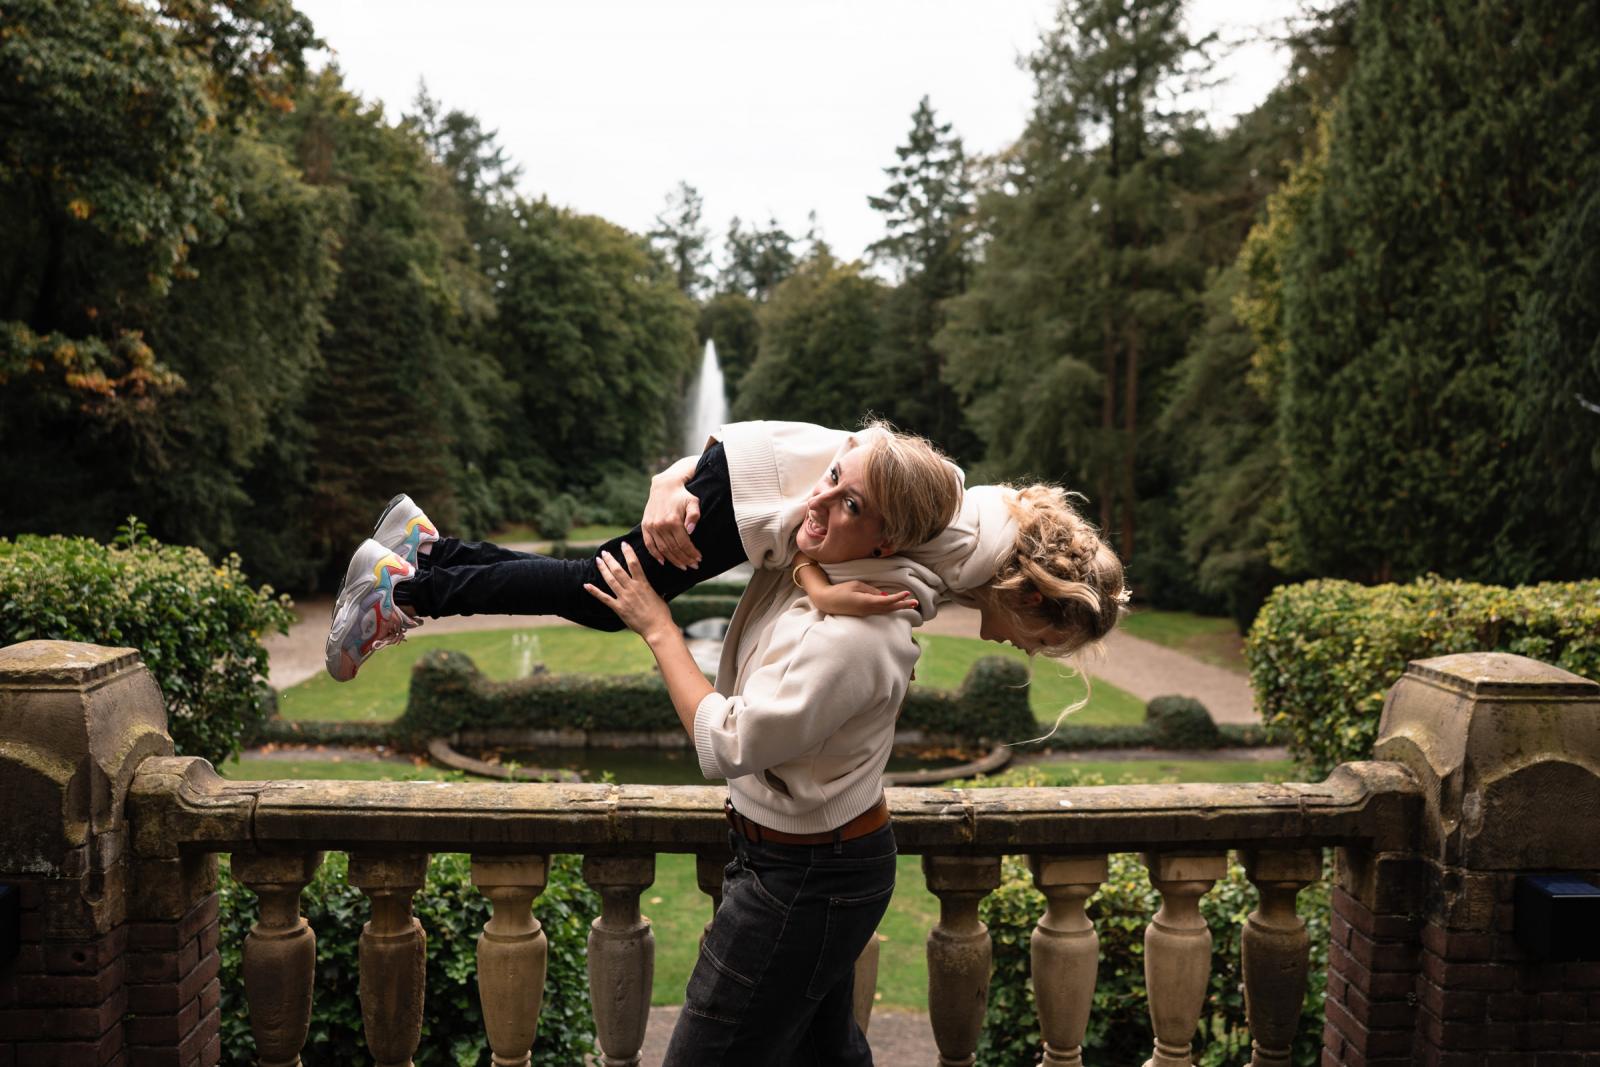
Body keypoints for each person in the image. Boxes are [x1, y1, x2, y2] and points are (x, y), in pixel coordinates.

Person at [587, 475, 1127, 1066]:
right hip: (814, 869)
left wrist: (659, 627)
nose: (1032, 651)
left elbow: (727, 740)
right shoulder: (901, 576)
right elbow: (815, 499)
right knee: (828, 1055)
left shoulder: (882, 612)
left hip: (808, 875)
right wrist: (682, 480)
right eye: (1046, 639)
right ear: (1028, 596)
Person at [324, 420, 962, 682]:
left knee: (594, 580)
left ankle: (423, 554)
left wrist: (818, 586)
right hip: (740, 493)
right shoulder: (954, 524)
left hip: (743, 491)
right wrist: (679, 476)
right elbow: (811, 462)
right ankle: (404, 589)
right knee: (601, 593)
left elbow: (802, 489)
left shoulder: (927, 489)